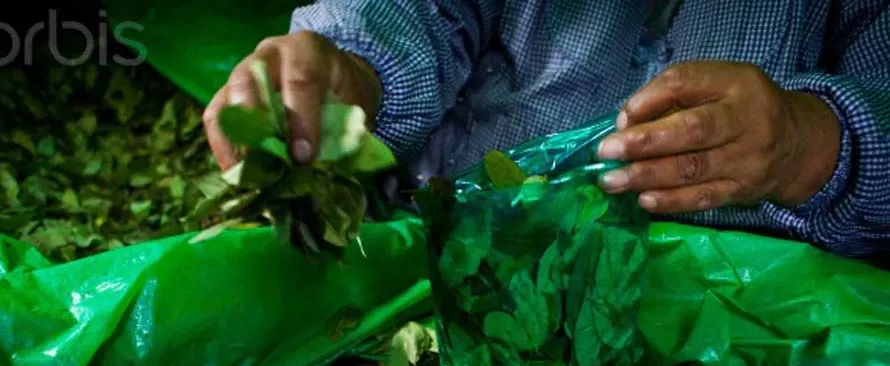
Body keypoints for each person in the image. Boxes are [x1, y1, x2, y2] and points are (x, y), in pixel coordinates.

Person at [203, 1, 890, 258]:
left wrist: (811, 144)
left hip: (721, 338)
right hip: (437, 267)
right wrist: (351, 72)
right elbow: (409, 13)